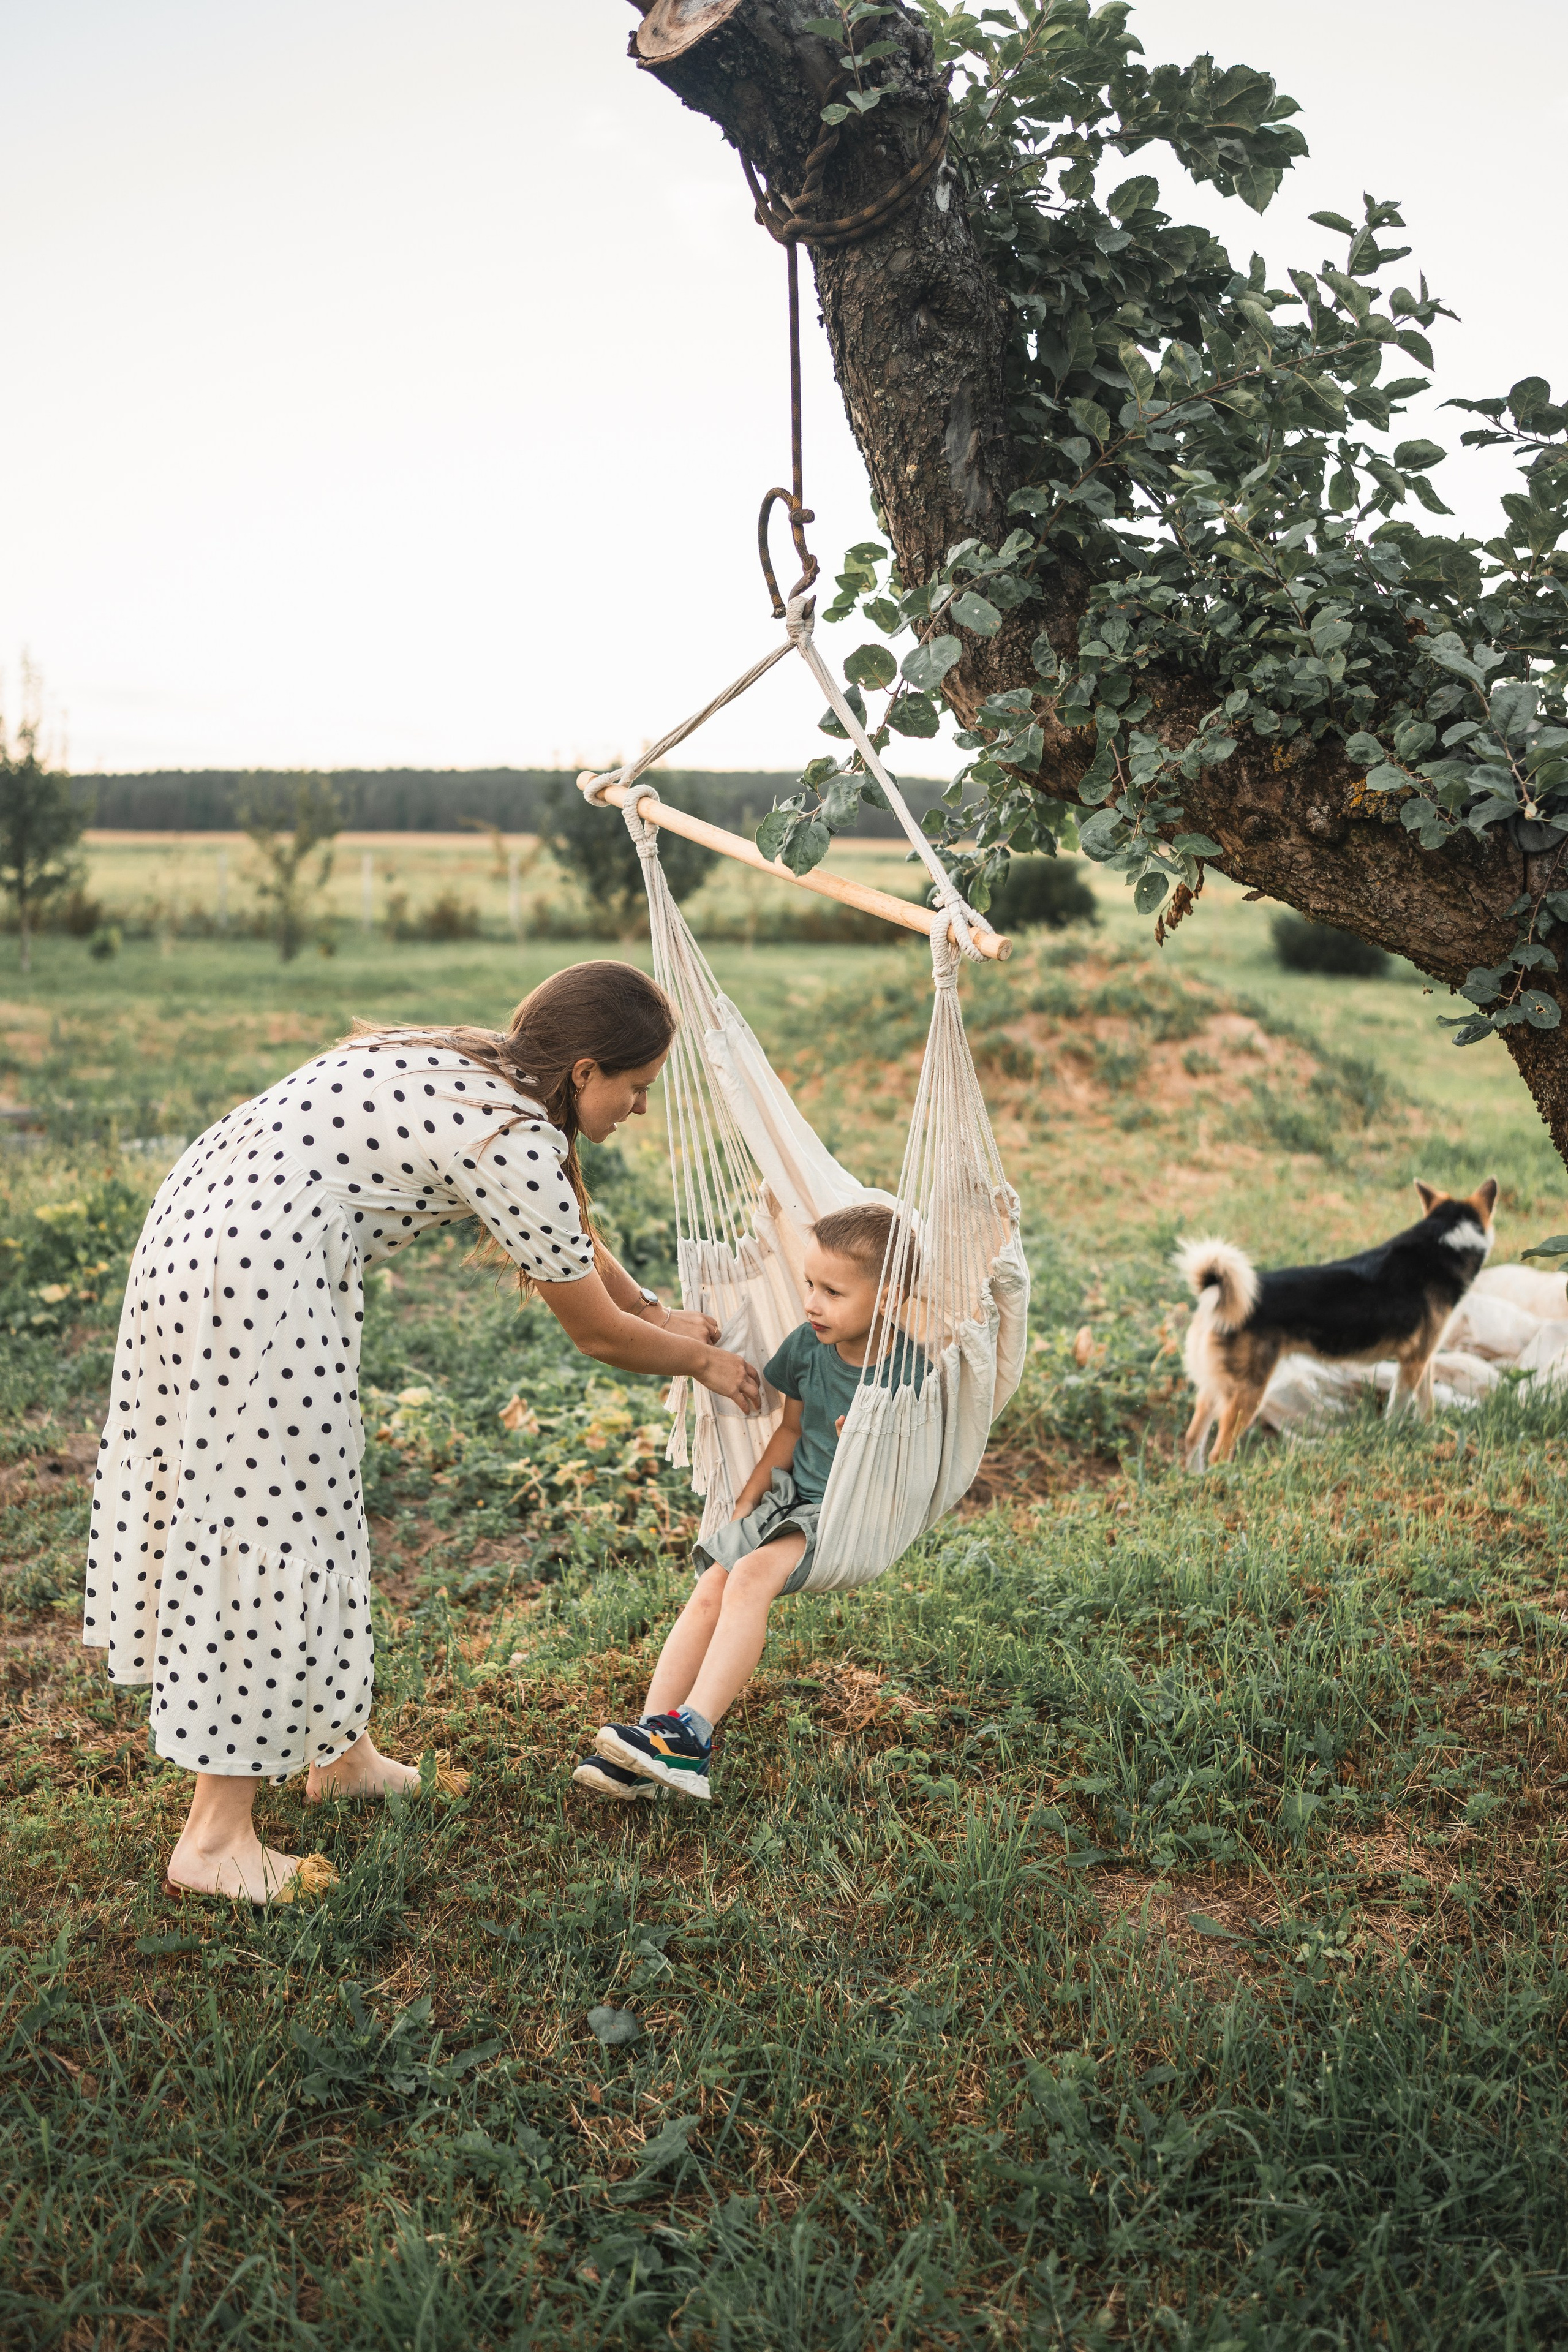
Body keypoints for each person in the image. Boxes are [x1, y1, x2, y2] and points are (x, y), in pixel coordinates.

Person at [83, 961, 760, 1902]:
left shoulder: (492, 1067)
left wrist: (657, 1305)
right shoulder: (515, 1137)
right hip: (251, 1274)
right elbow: (596, 1333)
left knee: (321, 1507)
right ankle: (213, 1838)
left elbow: (566, 1235)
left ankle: (337, 1754)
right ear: (586, 1072)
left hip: (204, 1227)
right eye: (637, 1089)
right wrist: (703, 1362)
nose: (639, 1109)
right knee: (269, 1523)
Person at [581, 1202, 923, 1804]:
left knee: (748, 1581)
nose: (813, 1303)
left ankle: (693, 1735)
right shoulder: (808, 1347)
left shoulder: (908, 1372)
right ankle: (648, 1741)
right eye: (809, 1286)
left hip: (845, 1513)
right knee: (712, 1583)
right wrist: (747, 1498)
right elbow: (790, 1432)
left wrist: (867, 1446)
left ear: (889, 1298)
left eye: (833, 1292)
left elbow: (914, 1468)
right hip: (789, 1501)